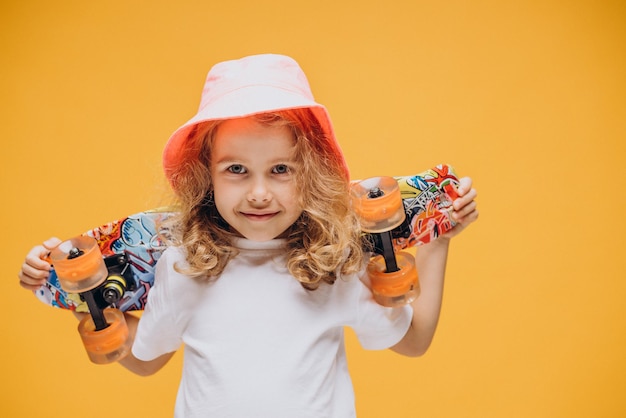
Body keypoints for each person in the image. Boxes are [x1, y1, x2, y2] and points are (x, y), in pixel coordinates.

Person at [18, 54, 478, 417]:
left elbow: (413, 341)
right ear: (207, 177)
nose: (259, 193)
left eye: (280, 170)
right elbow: (144, 359)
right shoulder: (180, 267)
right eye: (237, 170)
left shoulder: (335, 264)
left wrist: (437, 238)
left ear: (311, 175)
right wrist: (76, 292)